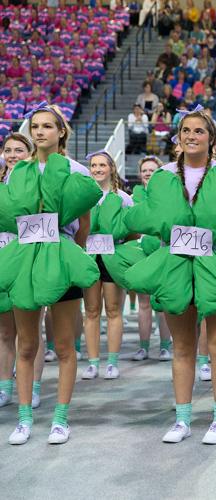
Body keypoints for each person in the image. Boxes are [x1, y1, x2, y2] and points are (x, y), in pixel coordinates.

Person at [124, 107, 216, 444]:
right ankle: (183, 418)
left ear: (211, 138)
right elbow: (158, 223)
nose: (191, 136)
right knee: (183, 346)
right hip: (175, 267)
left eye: (199, 131)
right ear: (177, 138)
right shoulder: (163, 174)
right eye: (185, 130)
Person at [4, 104, 103, 445]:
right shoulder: (18, 171)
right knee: (27, 343)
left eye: (48, 126)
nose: (40, 131)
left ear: (61, 131)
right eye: (35, 126)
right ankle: (24, 418)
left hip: (60, 259)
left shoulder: (76, 170)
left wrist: (66, 254)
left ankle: (60, 418)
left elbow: (85, 223)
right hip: (25, 260)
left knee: (63, 344)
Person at [81, 151, 137, 381]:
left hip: (112, 256)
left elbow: (134, 230)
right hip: (90, 257)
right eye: (93, 165)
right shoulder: (84, 197)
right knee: (92, 311)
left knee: (114, 310)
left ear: (111, 168)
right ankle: (93, 362)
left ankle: (112, 362)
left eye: (102, 165)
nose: (97, 169)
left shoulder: (123, 197)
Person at [0, 134, 46, 411]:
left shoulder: (37, 183)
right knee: (5, 331)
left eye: (19, 149)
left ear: (29, 153)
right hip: (3, 258)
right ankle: (5, 386)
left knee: (31, 330)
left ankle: (35, 387)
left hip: (30, 259)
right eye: (8, 150)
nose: (13, 154)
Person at [130, 156, 172, 362]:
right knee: (144, 302)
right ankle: (144, 346)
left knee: (162, 301)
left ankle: (165, 346)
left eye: (152, 170)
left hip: (162, 251)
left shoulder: (168, 196)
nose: (148, 173)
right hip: (141, 253)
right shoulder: (132, 198)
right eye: (144, 170)